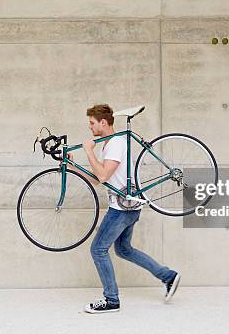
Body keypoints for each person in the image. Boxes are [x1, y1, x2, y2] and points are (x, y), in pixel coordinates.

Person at [68, 104, 181, 314]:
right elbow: (98, 179)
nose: (90, 128)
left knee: (98, 250)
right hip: (127, 206)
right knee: (123, 249)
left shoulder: (116, 143)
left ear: (103, 122)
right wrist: (73, 166)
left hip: (121, 208)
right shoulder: (109, 145)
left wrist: (88, 150)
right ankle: (169, 276)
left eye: (92, 123)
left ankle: (111, 300)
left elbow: (102, 176)